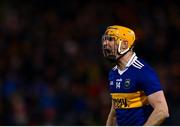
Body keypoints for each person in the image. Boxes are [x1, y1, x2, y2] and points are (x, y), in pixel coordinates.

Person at [102, 25, 169, 126]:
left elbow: (162, 111)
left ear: (124, 44)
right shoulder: (113, 73)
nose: (105, 43)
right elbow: (115, 111)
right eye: (105, 40)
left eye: (111, 39)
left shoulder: (143, 71)